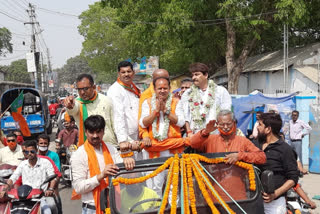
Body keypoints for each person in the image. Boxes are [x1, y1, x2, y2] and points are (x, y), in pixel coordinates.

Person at [139, 77, 188, 196]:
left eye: (165, 88)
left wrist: (166, 111)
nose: (162, 91)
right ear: (154, 89)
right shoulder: (148, 102)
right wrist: (155, 112)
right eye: (159, 88)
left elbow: (181, 122)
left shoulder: (176, 102)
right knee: (155, 186)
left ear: (169, 89)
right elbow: (142, 123)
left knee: (173, 185)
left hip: (172, 149)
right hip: (154, 149)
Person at [71, 115, 128, 214]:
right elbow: (78, 187)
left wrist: (127, 162)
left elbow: (122, 174)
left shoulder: (111, 149)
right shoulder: (79, 154)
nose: (95, 136)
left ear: (103, 131)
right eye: (91, 132)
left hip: (115, 206)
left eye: (98, 131)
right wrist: (101, 176)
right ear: (85, 132)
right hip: (92, 209)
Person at [255, 113, 299, 214]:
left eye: (260, 124)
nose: (257, 127)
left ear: (268, 129)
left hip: (274, 205)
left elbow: (293, 178)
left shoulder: (285, 149)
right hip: (254, 201)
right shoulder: (254, 145)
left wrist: (274, 194)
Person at [0, 140, 57, 214]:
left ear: (36, 150)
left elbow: (52, 177)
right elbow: (13, 177)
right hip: (23, 197)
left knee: (51, 206)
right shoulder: (22, 164)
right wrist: (4, 189)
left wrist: (50, 189)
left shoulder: (45, 162)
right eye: (26, 152)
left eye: (32, 151)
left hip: (41, 196)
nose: (29, 154)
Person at [64, 74, 117, 146]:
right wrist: (70, 106)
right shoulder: (77, 102)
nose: (82, 92)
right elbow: (73, 109)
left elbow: (116, 124)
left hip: (109, 146)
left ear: (94, 87)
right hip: (88, 148)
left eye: (85, 89)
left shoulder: (106, 101)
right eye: (79, 89)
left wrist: (123, 141)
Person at [181, 63, 232, 136]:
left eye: (196, 74)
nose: (193, 78)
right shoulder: (188, 93)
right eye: (192, 75)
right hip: (195, 134)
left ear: (205, 75)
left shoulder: (220, 91)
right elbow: (185, 115)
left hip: (216, 133)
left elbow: (226, 112)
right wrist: (189, 132)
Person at [107, 61, 141, 160]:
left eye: (129, 71)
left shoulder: (135, 88)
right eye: (123, 72)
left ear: (133, 73)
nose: (126, 74)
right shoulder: (115, 90)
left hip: (139, 138)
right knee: (131, 172)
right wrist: (123, 141)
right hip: (127, 140)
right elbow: (118, 117)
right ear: (119, 74)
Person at [138, 69, 170, 147]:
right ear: (153, 80)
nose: (163, 81)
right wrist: (145, 135)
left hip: (170, 139)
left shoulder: (169, 92)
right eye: (159, 79)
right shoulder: (146, 95)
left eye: (166, 79)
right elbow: (141, 119)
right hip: (152, 140)